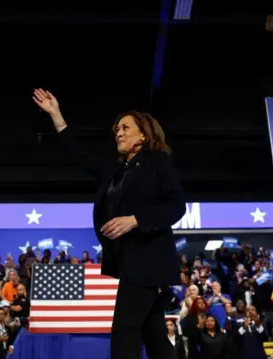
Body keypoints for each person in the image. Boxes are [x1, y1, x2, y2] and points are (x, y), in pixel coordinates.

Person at [33, 88, 187, 359]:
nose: (118, 132)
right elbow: (80, 156)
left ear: (143, 135)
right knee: (155, 339)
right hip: (130, 263)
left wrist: (135, 220)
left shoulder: (157, 162)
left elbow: (177, 206)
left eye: (126, 127)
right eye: (117, 129)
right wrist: (56, 116)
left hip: (149, 260)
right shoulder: (116, 173)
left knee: (125, 331)